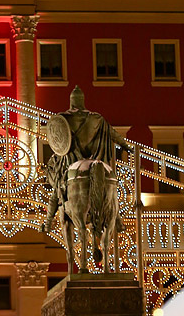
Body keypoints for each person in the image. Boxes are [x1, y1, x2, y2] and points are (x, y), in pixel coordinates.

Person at [44, 85, 129, 232]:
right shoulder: (96, 118)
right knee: (110, 186)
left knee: (57, 187)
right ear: (83, 101)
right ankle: (117, 218)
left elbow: (58, 139)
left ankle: (48, 222)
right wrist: (126, 146)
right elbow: (113, 134)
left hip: (71, 162)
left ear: (71, 101)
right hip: (94, 160)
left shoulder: (64, 118)